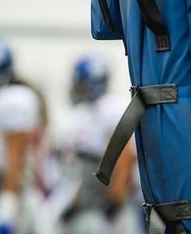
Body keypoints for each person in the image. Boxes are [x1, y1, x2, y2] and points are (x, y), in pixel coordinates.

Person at [54, 53, 137, 234]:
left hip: (104, 202)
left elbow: (124, 156)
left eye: (82, 85)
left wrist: (114, 202)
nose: (78, 89)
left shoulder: (111, 108)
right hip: (87, 199)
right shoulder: (85, 112)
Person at [0, 38, 46, 234]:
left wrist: (8, 204)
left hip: (13, 194)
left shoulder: (13, 99)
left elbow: (16, 155)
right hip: (0, 189)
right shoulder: (1, 98)